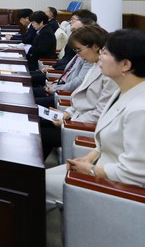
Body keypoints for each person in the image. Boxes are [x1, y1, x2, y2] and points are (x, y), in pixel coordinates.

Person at [46, 29, 145, 210]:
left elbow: (137, 174)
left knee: (34, 187)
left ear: (125, 64)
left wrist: (91, 170)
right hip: (104, 168)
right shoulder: (124, 90)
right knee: (37, 179)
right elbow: (108, 142)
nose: (100, 57)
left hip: (127, 192)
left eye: (105, 52)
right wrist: (90, 157)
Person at [38, 25, 116, 158]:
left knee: (38, 133)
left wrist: (69, 122)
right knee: (37, 121)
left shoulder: (110, 74)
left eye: (79, 50)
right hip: (75, 119)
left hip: (84, 127)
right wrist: (66, 113)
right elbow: (80, 99)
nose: (78, 55)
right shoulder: (95, 65)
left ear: (95, 46)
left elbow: (99, 113)